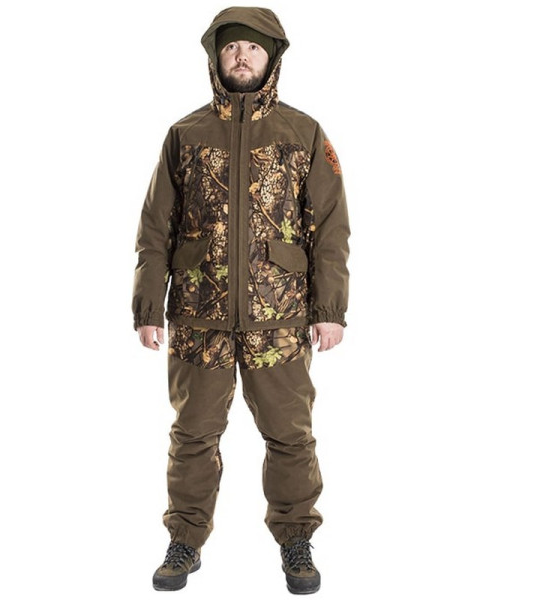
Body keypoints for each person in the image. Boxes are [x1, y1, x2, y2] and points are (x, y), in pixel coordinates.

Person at [132, 6, 350, 595]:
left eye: (253, 47)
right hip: (197, 315)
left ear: (271, 57)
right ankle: (184, 539)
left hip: (280, 317)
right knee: (192, 436)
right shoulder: (185, 134)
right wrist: (149, 307)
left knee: (291, 436)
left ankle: (296, 538)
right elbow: (155, 228)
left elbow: (330, 228)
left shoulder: (304, 133)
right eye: (232, 47)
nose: (242, 56)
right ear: (216, 58)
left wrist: (329, 310)